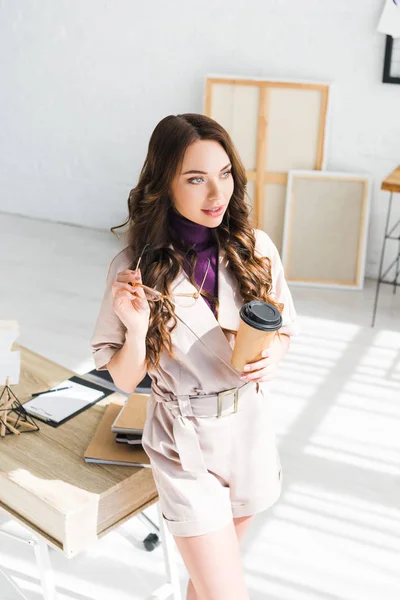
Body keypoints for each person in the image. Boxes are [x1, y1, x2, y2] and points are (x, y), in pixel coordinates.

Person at [91, 113, 299, 600]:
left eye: (224, 174)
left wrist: (276, 354)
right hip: (184, 445)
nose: (216, 195)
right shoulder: (133, 268)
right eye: (196, 178)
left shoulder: (256, 248)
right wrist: (138, 330)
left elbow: (284, 328)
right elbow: (122, 378)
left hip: (247, 431)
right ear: (164, 183)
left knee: (206, 589)